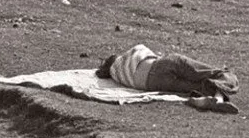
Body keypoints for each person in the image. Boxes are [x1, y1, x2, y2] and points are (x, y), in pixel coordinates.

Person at [99, 43, 240, 105]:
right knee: (219, 73)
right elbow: (144, 50)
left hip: (154, 84)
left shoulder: (118, 77)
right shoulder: (127, 55)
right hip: (162, 65)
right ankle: (221, 91)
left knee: (195, 86)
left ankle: (215, 97)